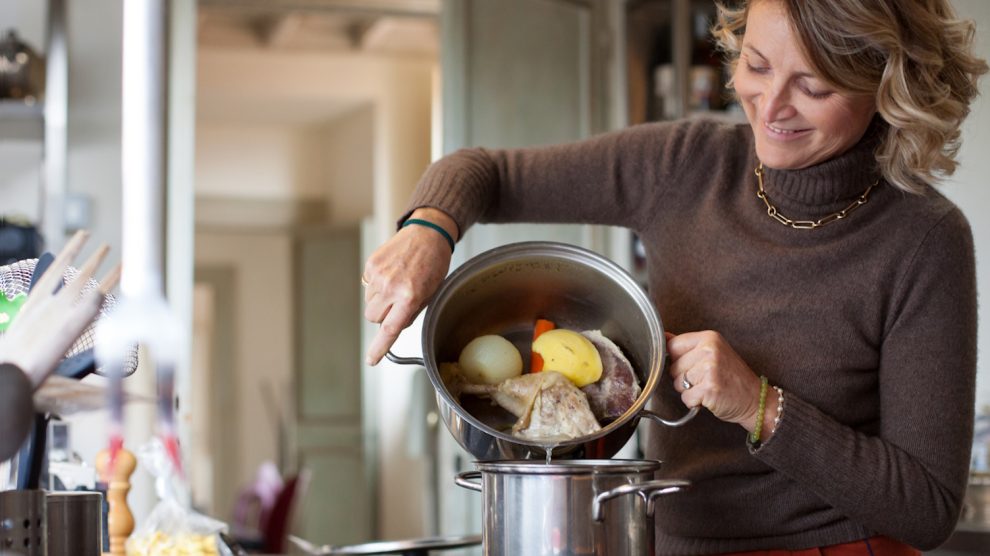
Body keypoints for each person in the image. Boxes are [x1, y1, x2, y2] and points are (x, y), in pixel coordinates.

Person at [361, 0, 988, 553]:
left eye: (815, 87)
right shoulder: (685, 165)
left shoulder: (923, 240)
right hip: (664, 540)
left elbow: (929, 507)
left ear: (886, 84)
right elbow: (482, 172)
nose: (770, 106)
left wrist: (758, 404)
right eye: (759, 65)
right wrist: (428, 231)